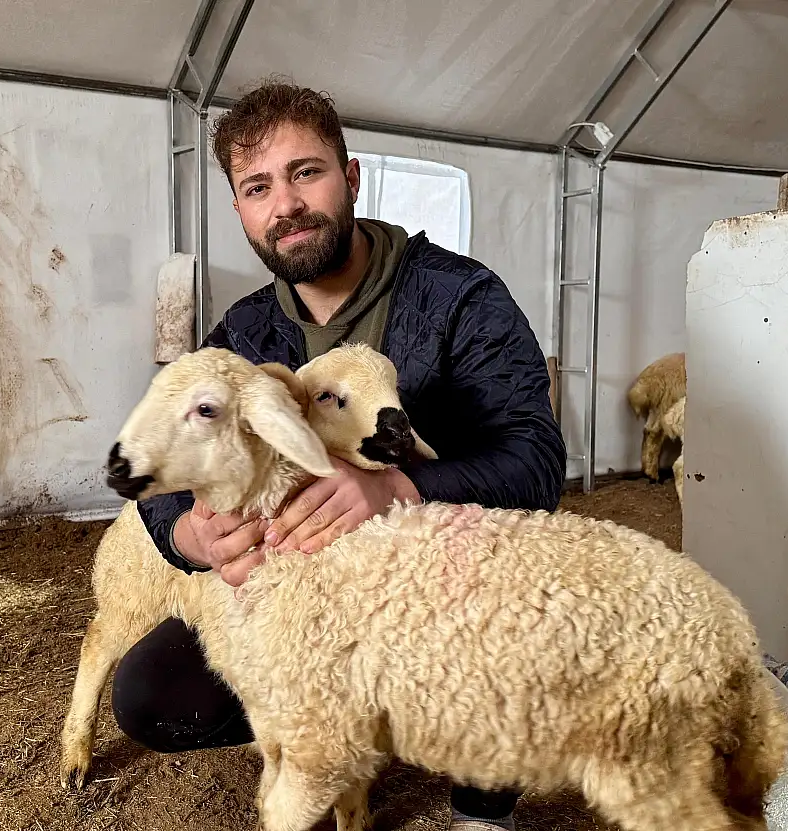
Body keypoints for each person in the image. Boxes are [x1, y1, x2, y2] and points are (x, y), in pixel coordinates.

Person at [110, 79, 566, 831]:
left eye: (305, 172)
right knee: (156, 693)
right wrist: (189, 533)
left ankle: (481, 796)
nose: (284, 203)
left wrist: (398, 490)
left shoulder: (460, 297)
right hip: (306, 596)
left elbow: (535, 461)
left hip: (443, 581)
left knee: (530, 624)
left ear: (349, 178)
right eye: (258, 187)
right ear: (241, 212)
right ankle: (346, 726)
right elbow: (162, 472)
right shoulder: (243, 336)